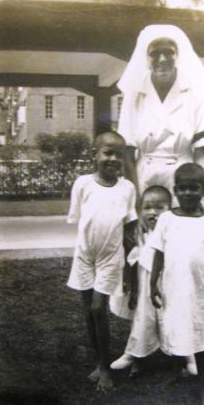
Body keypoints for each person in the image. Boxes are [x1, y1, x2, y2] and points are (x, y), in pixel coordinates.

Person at [66, 131, 137, 391]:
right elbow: (80, 221)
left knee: (98, 308)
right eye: (108, 152)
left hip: (110, 257)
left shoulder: (127, 188)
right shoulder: (82, 184)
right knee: (88, 312)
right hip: (85, 256)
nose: (114, 159)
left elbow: (129, 227)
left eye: (119, 154)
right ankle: (99, 361)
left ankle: (106, 368)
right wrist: (84, 251)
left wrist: (130, 266)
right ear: (94, 155)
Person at [117, 24, 204, 203]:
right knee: (147, 229)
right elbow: (127, 152)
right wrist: (136, 198)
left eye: (169, 52)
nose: (162, 59)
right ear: (146, 58)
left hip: (184, 180)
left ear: (177, 55)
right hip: (144, 178)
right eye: (155, 53)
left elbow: (202, 151)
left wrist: (199, 192)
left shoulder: (196, 93)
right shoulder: (134, 94)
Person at [150, 163, 204, 398]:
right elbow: (158, 253)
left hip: (200, 288)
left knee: (201, 334)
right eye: (182, 189)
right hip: (174, 288)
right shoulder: (166, 219)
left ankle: (203, 386)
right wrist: (153, 284)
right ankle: (178, 370)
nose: (188, 193)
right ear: (175, 190)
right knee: (175, 329)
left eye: (194, 188)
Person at [110, 185, 197, 376]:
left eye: (159, 208)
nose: (152, 213)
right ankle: (133, 353)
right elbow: (131, 262)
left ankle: (188, 356)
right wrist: (129, 286)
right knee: (143, 318)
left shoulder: (176, 231)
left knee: (177, 318)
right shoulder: (138, 234)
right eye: (147, 208)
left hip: (170, 286)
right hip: (145, 287)